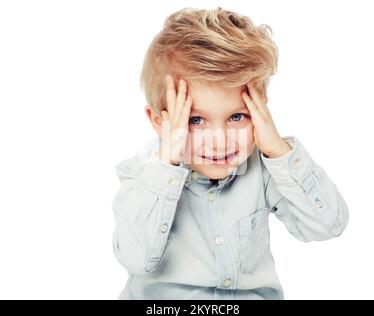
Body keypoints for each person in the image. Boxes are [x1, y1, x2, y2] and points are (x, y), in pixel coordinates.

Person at [112, 7, 349, 299]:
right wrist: (167, 165)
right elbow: (135, 257)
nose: (220, 140)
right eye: (195, 120)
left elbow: (328, 225)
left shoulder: (262, 170)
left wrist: (277, 149)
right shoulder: (142, 176)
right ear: (158, 122)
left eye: (237, 117)